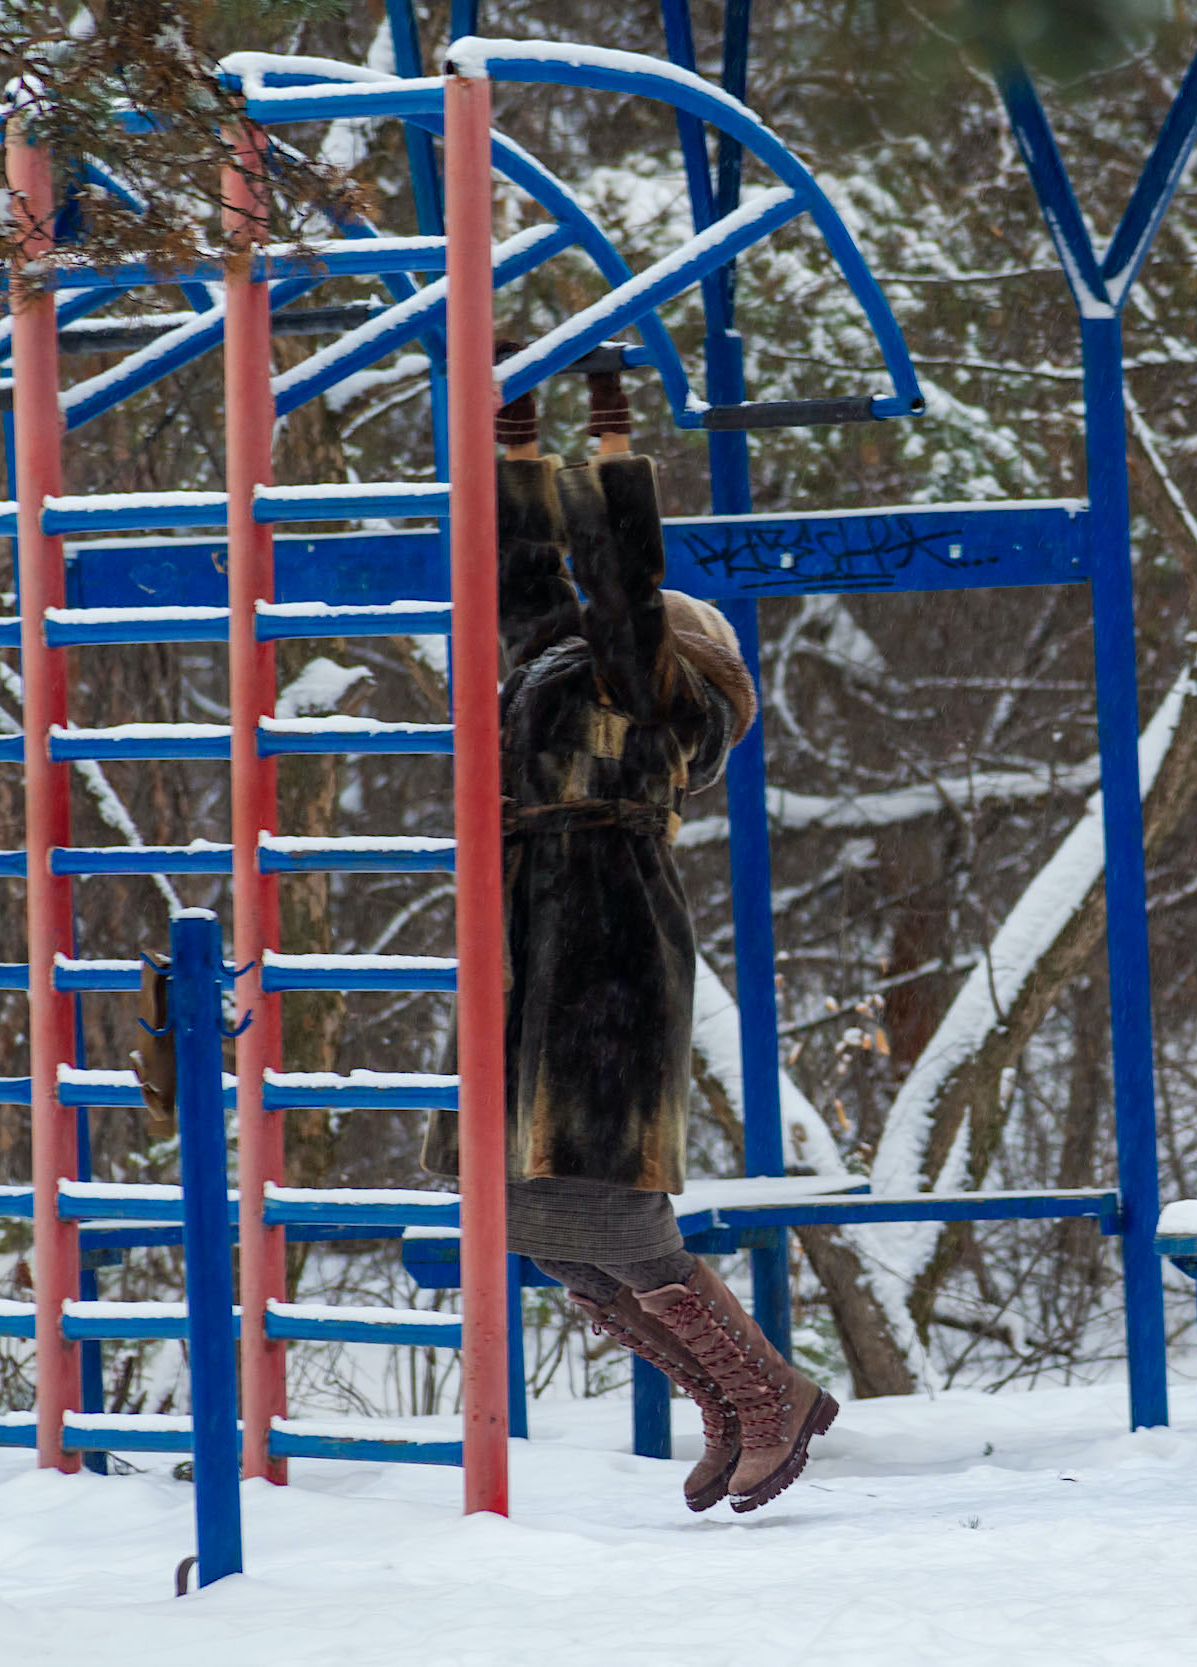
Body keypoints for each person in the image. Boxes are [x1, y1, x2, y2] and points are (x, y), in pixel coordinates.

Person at [424, 364, 835, 1514]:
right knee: (525, 1212)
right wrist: (514, 455)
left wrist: (609, 450)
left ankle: (767, 1396)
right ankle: (732, 1394)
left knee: (600, 1200)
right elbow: (529, 587)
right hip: (529, 936)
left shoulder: (655, 697)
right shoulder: (569, 665)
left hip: (604, 946)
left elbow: (617, 585)